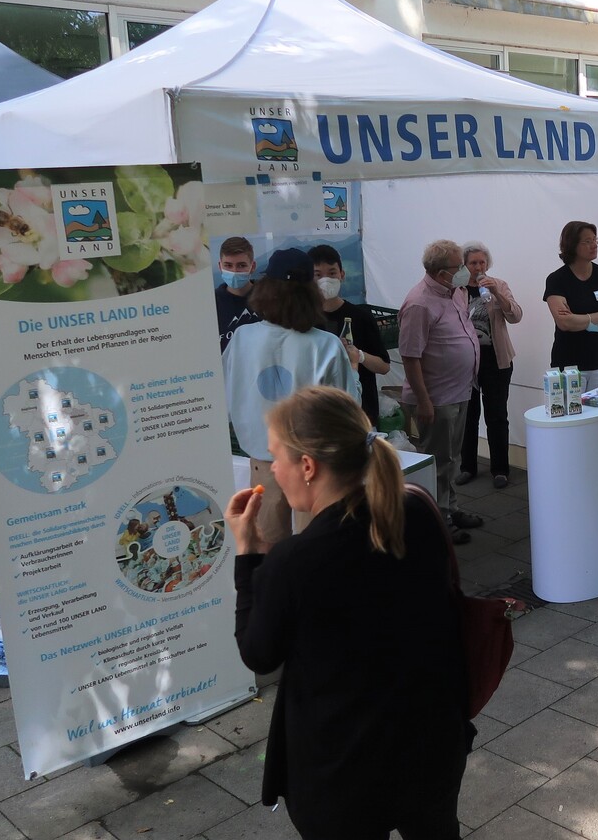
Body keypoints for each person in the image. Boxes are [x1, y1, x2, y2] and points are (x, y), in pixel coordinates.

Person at [226, 385, 472, 837]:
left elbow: (259, 654)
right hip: (430, 741)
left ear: (307, 466)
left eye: (275, 455)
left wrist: (248, 557)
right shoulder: (415, 511)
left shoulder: (294, 562)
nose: (272, 469)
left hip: (342, 762)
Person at [223, 248, 359, 552]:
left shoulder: (242, 338)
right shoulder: (325, 345)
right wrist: (355, 369)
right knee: (317, 548)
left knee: (266, 544)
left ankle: (273, 598)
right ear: (310, 294)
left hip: (263, 459)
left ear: (265, 290)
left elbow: (227, 390)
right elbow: (348, 408)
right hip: (316, 464)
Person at [399, 240, 483, 543]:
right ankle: (436, 521)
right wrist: (423, 400)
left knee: (451, 457)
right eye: (458, 266)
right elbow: (410, 356)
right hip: (435, 398)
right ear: (439, 272)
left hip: (460, 391)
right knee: (436, 460)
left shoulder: (456, 292)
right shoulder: (420, 303)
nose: (464, 271)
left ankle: (450, 508)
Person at [458, 241, 522, 489]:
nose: (478, 267)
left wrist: (497, 293)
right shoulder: (458, 290)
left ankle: (500, 470)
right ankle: (467, 467)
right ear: (465, 265)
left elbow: (516, 316)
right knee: (468, 416)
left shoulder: (499, 285)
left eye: (482, 262)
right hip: (466, 362)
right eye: (473, 262)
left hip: (497, 359)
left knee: (496, 415)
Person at [308, 244, 391, 425]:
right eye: (318, 275)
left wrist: (359, 356)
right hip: (317, 416)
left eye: (332, 273)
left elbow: (384, 366)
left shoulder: (361, 317)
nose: (326, 280)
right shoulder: (303, 320)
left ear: (342, 275)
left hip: (361, 415)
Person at [544, 221, 598, 390]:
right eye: (587, 241)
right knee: (572, 414)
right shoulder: (557, 280)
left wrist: (578, 320)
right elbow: (564, 323)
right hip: (568, 364)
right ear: (572, 245)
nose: (594, 245)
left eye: (595, 240)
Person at [214, 236, 258, 351]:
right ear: (220, 266)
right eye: (228, 265)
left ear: (252, 267)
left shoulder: (270, 298)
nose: (234, 271)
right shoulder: (211, 303)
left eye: (241, 265)